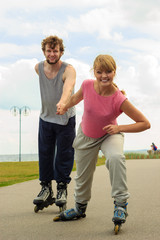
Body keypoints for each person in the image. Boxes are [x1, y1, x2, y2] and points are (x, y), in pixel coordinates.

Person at [54, 54, 151, 223]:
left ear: (114, 72)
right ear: (94, 72)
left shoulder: (119, 99)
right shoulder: (87, 85)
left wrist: (119, 128)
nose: (104, 76)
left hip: (109, 135)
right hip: (86, 135)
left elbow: (144, 123)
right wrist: (64, 106)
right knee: (83, 176)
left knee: (115, 158)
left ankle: (120, 204)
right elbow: (75, 99)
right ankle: (79, 208)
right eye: (99, 72)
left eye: (108, 71)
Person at [33, 35, 76, 210]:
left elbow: (69, 86)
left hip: (65, 119)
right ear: (44, 52)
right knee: (45, 153)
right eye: (49, 51)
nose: (52, 54)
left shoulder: (69, 69)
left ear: (61, 52)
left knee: (64, 154)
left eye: (55, 50)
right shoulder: (38, 68)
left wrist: (63, 102)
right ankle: (45, 188)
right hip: (46, 118)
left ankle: (61, 188)